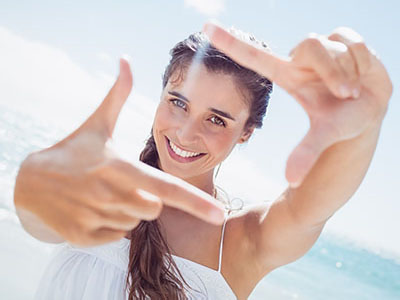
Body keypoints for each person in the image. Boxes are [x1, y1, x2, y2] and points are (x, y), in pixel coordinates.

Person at [13, 21, 392, 300]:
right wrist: (30, 183)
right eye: (178, 103)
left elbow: (310, 209)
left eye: (216, 119)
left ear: (246, 132)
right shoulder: (97, 190)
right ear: (161, 95)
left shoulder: (243, 243)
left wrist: (362, 127)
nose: (185, 134)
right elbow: (36, 220)